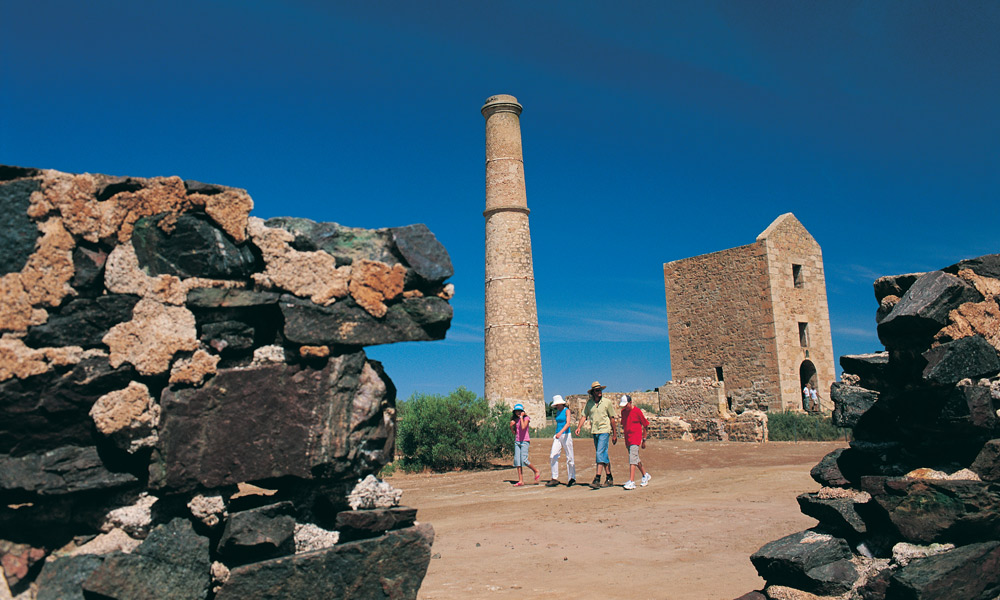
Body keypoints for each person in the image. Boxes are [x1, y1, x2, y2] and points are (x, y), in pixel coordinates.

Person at [575, 381, 617, 488]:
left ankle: (597, 478)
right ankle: (609, 477)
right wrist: (579, 427)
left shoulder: (607, 402)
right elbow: (584, 416)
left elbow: (612, 418)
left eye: (600, 390)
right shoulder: (589, 404)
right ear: (593, 392)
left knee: (599, 453)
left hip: (604, 430)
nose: (599, 392)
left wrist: (615, 434)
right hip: (595, 431)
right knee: (603, 454)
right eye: (597, 390)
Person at [618, 394, 651, 490]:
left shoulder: (637, 411)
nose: (625, 407)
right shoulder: (623, 412)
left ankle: (631, 481)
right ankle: (645, 475)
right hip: (627, 439)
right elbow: (624, 424)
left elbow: (645, 425)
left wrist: (644, 440)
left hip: (636, 439)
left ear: (630, 402)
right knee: (635, 459)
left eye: (626, 405)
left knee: (632, 459)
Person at [547, 395, 576, 487]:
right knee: (553, 455)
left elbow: (568, 424)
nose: (557, 406)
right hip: (558, 435)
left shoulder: (567, 411)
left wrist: (560, 432)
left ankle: (572, 478)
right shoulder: (558, 412)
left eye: (558, 404)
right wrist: (558, 434)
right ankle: (554, 477)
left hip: (566, 434)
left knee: (570, 456)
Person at [510, 403, 540, 487]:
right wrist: (511, 427)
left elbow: (523, 427)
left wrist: (521, 418)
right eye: (516, 411)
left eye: (520, 411)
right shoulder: (515, 420)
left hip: (525, 441)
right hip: (517, 441)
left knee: (524, 459)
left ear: (523, 411)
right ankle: (520, 480)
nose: (518, 412)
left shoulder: (526, 418)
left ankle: (536, 470)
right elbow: (515, 433)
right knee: (517, 461)